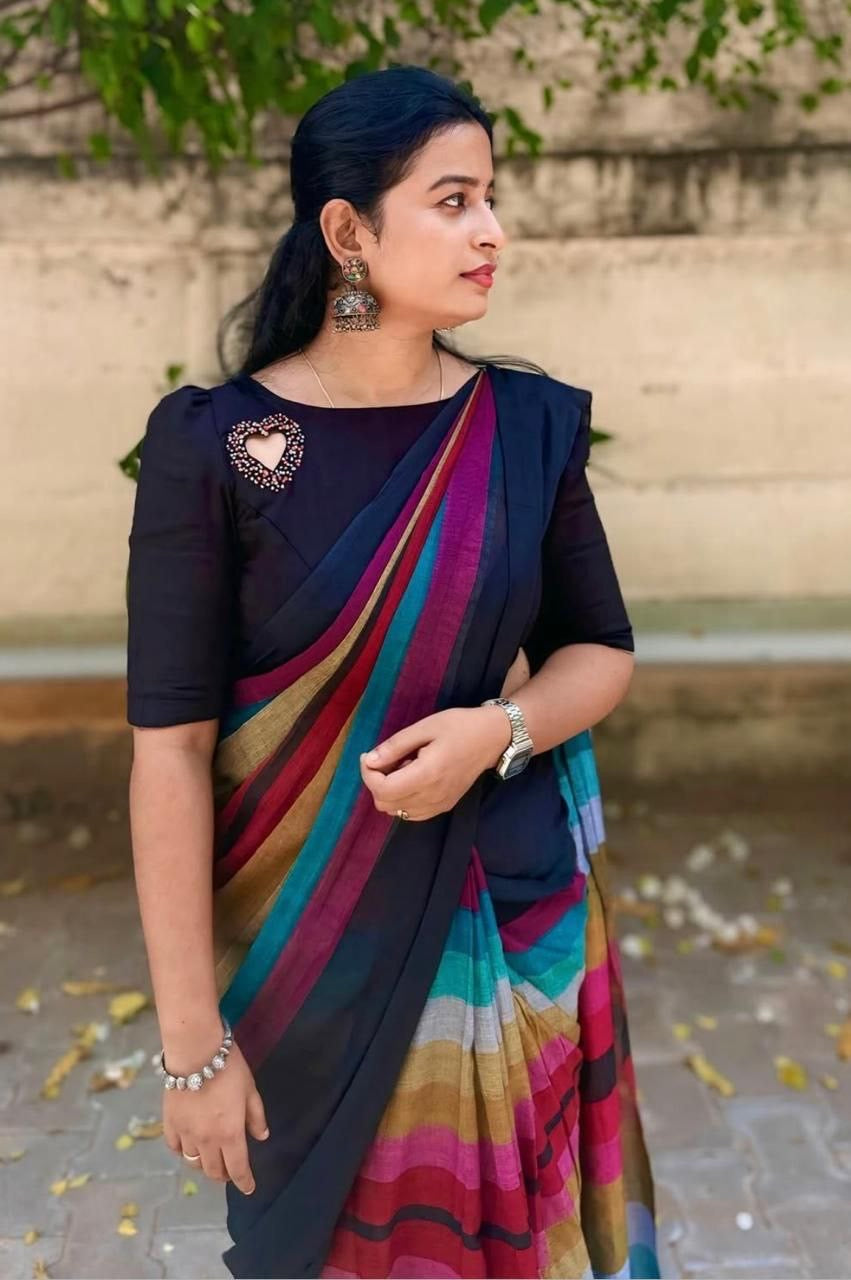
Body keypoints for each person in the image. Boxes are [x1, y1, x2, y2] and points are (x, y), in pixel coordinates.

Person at [126, 63, 660, 1280]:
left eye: (490, 198)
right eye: (453, 200)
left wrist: (498, 729)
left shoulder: (523, 426)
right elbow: (172, 749)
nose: (491, 231)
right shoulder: (216, 448)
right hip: (304, 950)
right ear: (348, 232)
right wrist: (192, 1044)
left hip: (507, 914)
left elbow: (599, 650)